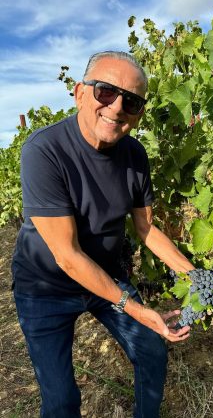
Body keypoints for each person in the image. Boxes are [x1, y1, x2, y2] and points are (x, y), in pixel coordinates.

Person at [11, 50, 194, 418]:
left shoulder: (135, 155)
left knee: (151, 351)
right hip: (45, 289)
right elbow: (68, 255)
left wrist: (200, 278)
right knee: (61, 402)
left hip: (106, 276)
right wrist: (136, 309)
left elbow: (146, 228)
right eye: (106, 92)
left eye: (132, 102)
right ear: (80, 93)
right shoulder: (44, 151)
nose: (117, 107)